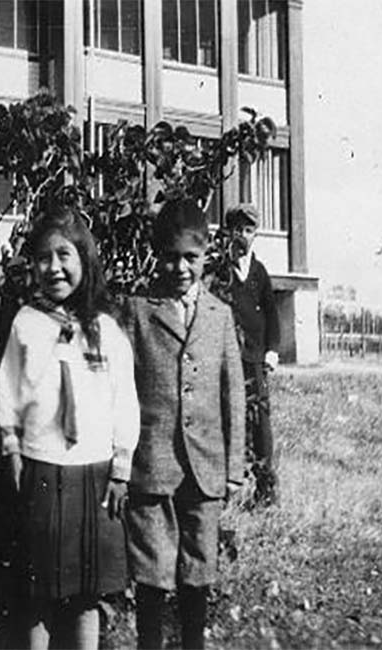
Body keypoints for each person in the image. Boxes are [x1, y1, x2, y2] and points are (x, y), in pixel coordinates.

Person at [0, 205, 139, 650]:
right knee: (37, 590)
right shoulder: (25, 322)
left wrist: (121, 467)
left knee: (85, 593)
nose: (53, 267)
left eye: (64, 256)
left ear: (84, 260)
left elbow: (125, 400)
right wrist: (13, 448)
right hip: (41, 466)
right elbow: (8, 391)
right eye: (43, 257)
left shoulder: (105, 327)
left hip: (92, 473)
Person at [122, 198, 245, 650]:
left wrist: (233, 469)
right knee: (152, 574)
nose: (180, 267)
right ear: (157, 253)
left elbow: (233, 393)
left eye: (190, 257)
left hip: (205, 469)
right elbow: (123, 391)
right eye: (170, 256)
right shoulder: (137, 311)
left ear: (207, 254)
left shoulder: (220, 315)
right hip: (152, 466)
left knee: (198, 571)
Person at [223, 203, 281, 507]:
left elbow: (272, 314)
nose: (242, 236)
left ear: (256, 234)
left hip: (255, 358)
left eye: (248, 230)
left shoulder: (259, 272)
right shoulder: (221, 270)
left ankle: (264, 488)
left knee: (260, 422)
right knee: (228, 418)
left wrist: (272, 350)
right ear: (228, 232)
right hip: (228, 356)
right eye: (237, 229)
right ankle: (225, 489)